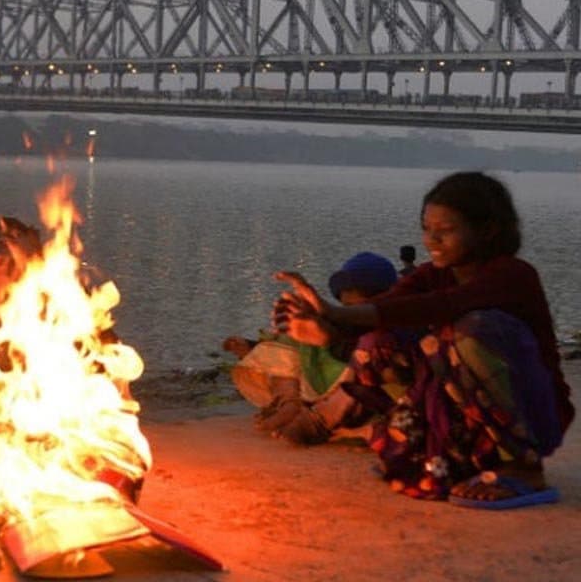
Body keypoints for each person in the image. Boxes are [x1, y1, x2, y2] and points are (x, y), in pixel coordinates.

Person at [273, 171, 573, 508]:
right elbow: (388, 308)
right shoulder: (432, 275)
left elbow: (444, 305)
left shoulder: (513, 275)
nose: (432, 241)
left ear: (487, 231)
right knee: (379, 343)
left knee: (470, 330)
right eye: (427, 230)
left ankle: (524, 468)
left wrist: (337, 313)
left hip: (534, 414)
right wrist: (327, 330)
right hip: (469, 410)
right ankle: (449, 456)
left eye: (445, 231)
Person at [226, 252, 398, 445]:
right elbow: (334, 329)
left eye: (357, 305)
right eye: (345, 305)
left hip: (358, 392)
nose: (349, 310)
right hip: (322, 381)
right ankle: (288, 403)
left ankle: (312, 418)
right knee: (292, 340)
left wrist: (326, 336)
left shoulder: (396, 326)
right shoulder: (341, 321)